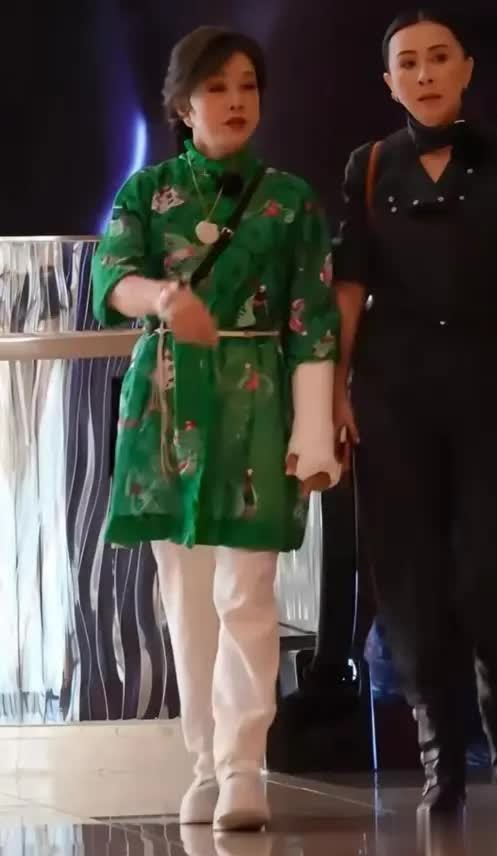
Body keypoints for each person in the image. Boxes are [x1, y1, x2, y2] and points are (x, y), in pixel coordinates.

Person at [332, 8, 497, 813]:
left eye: (439, 58)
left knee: (489, 565)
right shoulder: (369, 165)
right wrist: (333, 387)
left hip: (488, 384)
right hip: (392, 390)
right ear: (389, 82)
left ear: (466, 69)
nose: (425, 73)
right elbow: (348, 286)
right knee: (408, 575)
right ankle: (438, 751)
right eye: (408, 62)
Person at [92, 26, 339, 831]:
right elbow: (112, 277)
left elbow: (313, 320)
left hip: (256, 400)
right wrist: (165, 299)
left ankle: (242, 766)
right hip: (167, 401)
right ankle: (203, 761)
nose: (235, 101)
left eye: (247, 86)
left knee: (246, 592)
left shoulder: (290, 200)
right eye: (216, 87)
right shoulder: (146, 191)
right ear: (181, 104)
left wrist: (313, 431)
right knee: (186, 595)